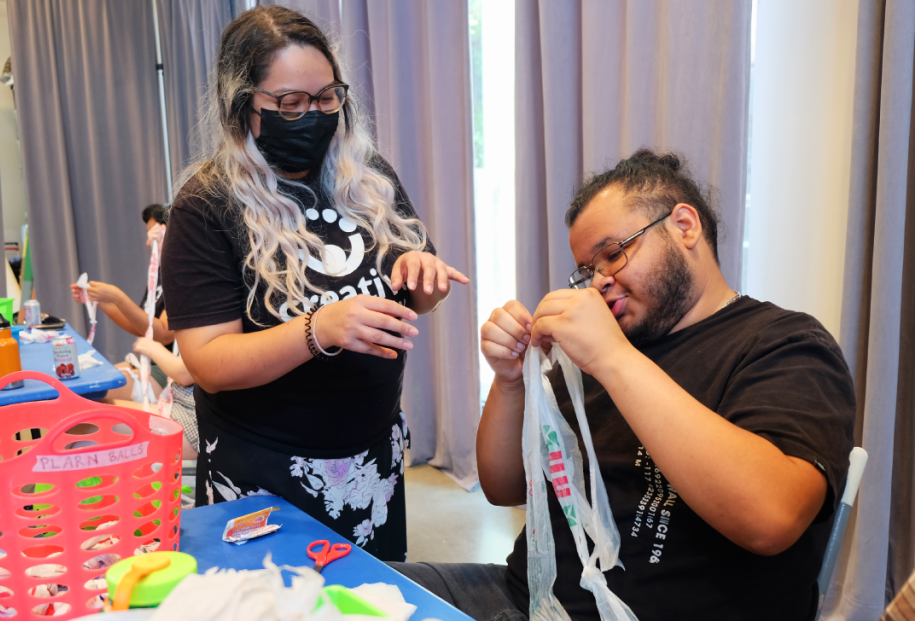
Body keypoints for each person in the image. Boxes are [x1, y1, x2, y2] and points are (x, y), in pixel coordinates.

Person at [391, 150, 855, 621]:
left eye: (613, 254)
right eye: (588, 270)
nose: (599, 282)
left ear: (685, 226)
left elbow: (770, 519)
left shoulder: (784, 343)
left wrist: (612, 358)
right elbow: (506, 486)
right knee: (336, 596)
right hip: (526, 597)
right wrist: (510, 381)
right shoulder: (610, 344)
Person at [161, 6, 468, 562]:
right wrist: (317, 329)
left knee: (371, 597)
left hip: (371, 461)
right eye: (290, 104)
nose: (314, 115)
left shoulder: (364, 175)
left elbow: (414, 292)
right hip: (265, 469)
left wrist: (427, 282)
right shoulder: (206, 205)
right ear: (242, 108)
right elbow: (207, 359)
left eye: (327, 98)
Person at [70, 204, 173, 401]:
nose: (147, 243)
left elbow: (163, 334)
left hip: (167, 369)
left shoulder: (180, 276)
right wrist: (102, 301)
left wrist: (117, 296)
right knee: (85, 386)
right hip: (149, 361)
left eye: (154, 235)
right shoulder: (160, 275)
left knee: (91, 396)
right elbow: (143, 327)